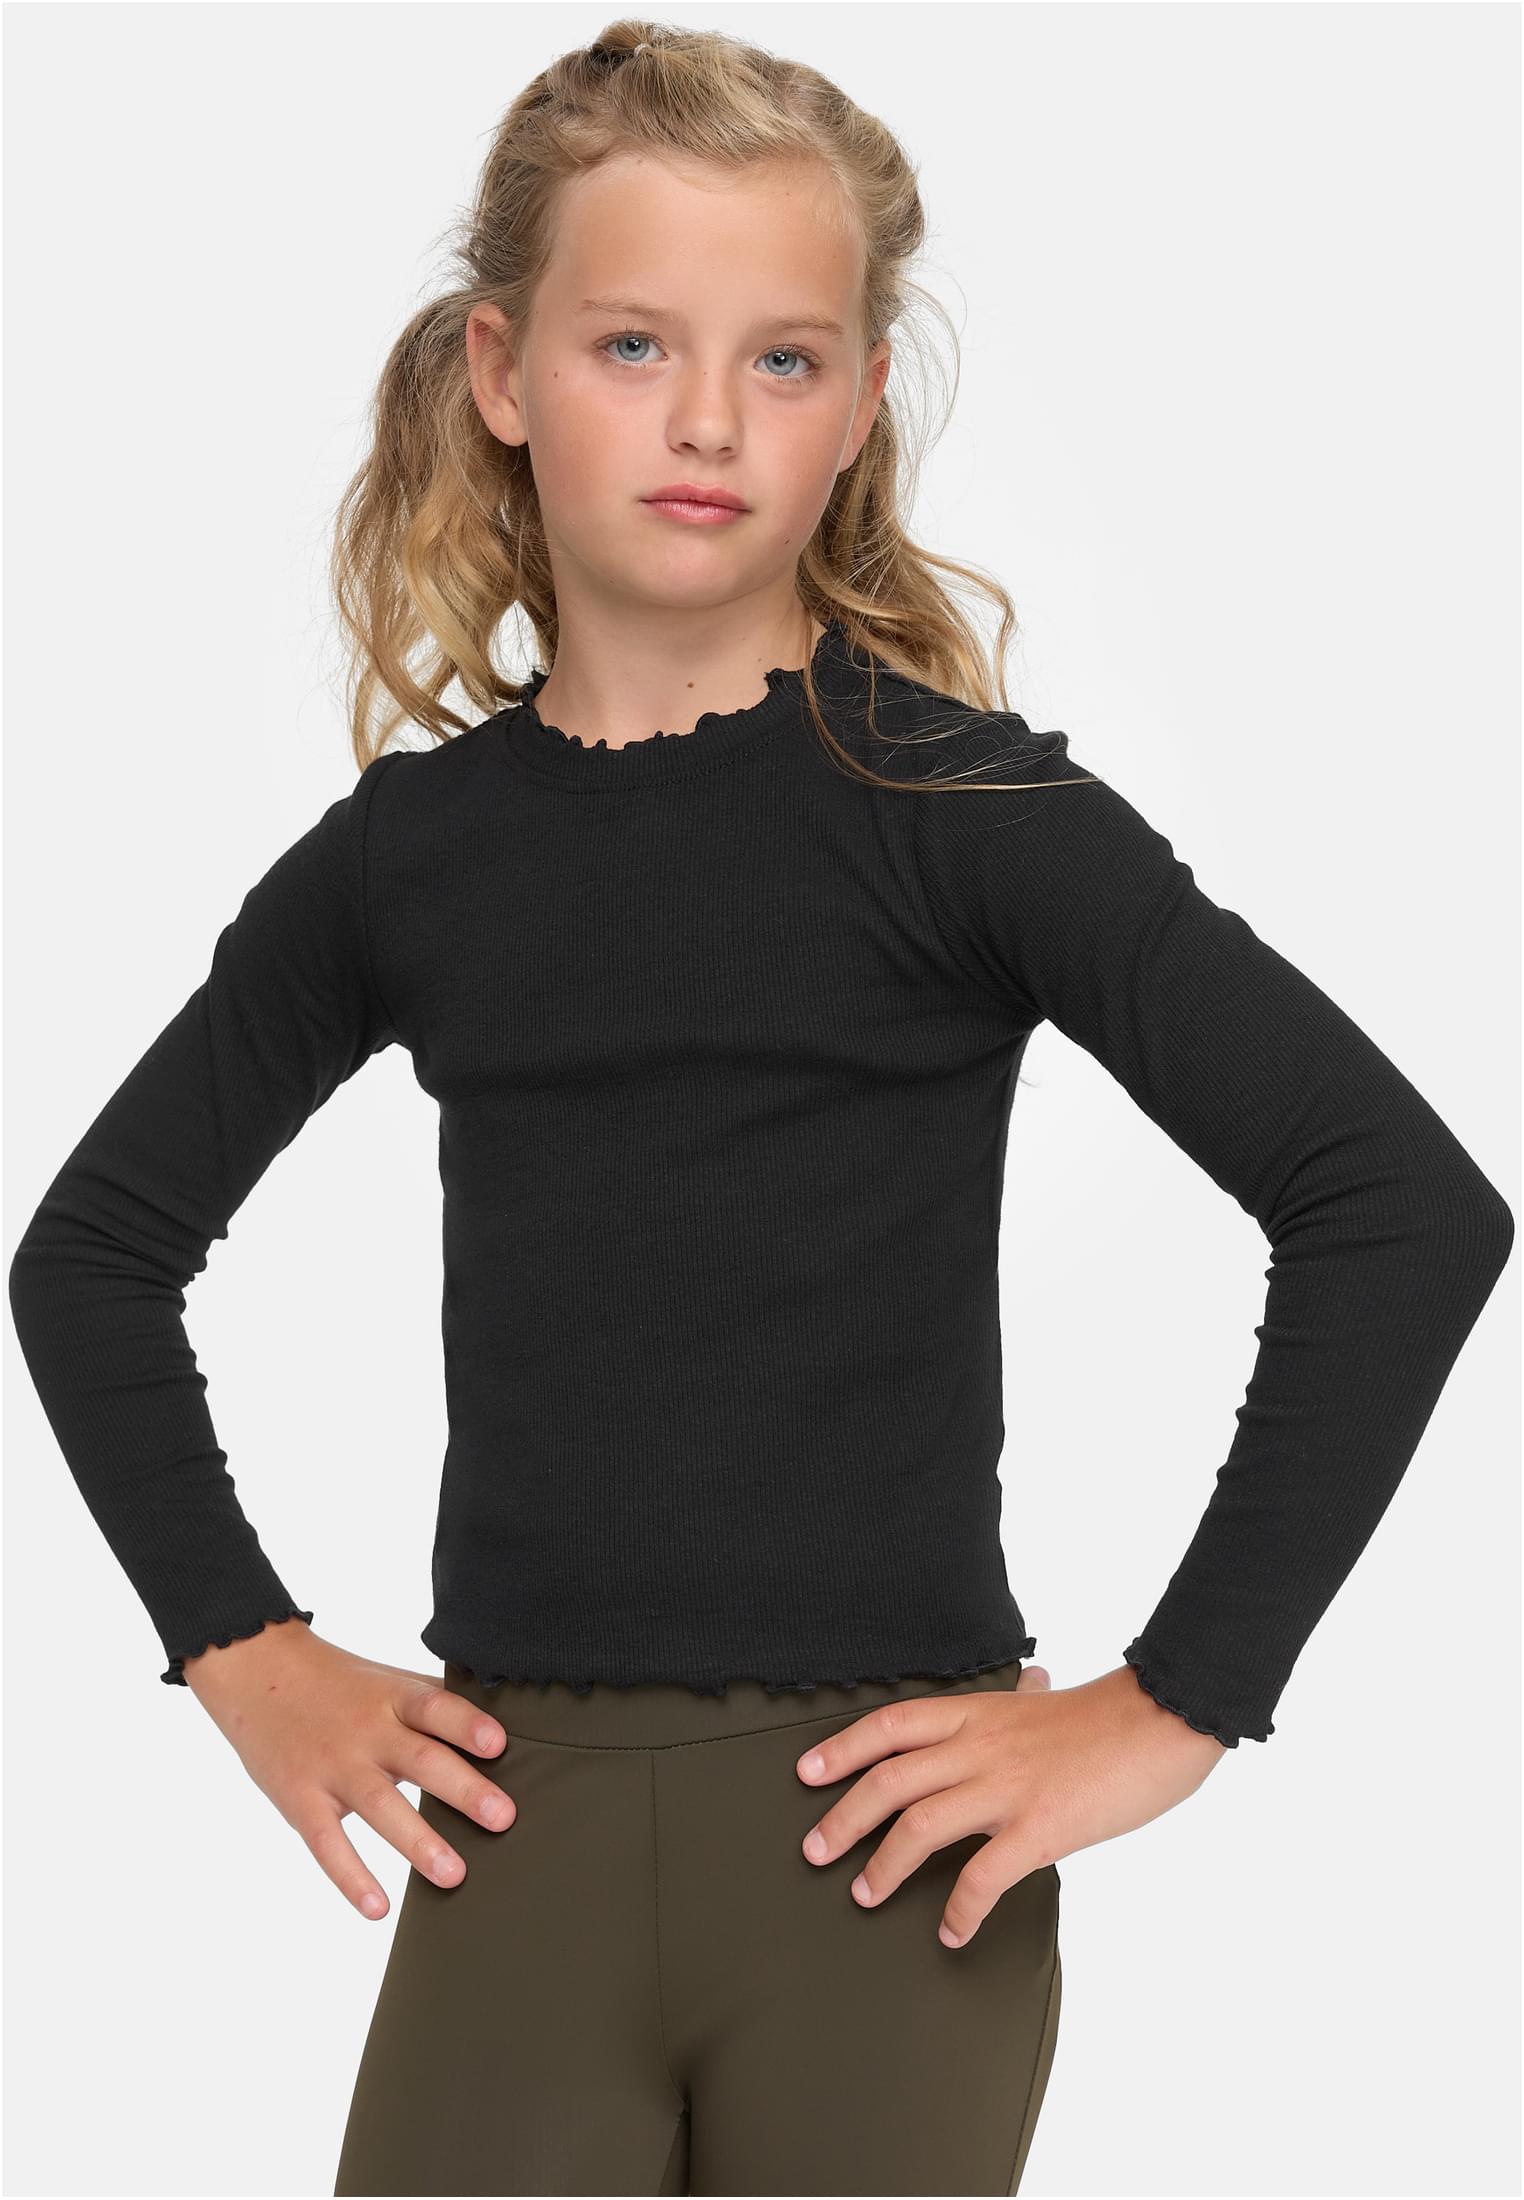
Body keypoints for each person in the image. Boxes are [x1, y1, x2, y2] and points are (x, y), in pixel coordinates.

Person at [7, 20, 1514, 2198]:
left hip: (878, 1857)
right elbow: (90, 1256)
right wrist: (241, 1649)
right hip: (510, 1830)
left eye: (784, 360)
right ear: (501, 369)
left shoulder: (965, 816)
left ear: (863, 402)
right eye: (635, 343)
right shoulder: (409, 863)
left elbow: (1399, 1205)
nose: (708, 417)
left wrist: (1178, 1698)